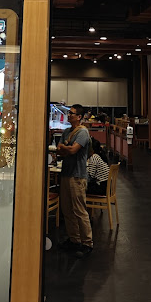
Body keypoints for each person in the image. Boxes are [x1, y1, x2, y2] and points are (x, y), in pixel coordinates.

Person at [57, 104, 93, 258]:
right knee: (67, 209)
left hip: (77, 175)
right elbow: (59, 149)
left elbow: (72, 150)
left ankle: (87, 243)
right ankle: (74, 240)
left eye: (72, 113)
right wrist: (66, 148)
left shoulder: (83, 132)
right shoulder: (66, 131)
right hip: (66, 173)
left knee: (79, 210)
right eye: (69, 113)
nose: (69, 115)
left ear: (79, 117)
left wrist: (65, 148)